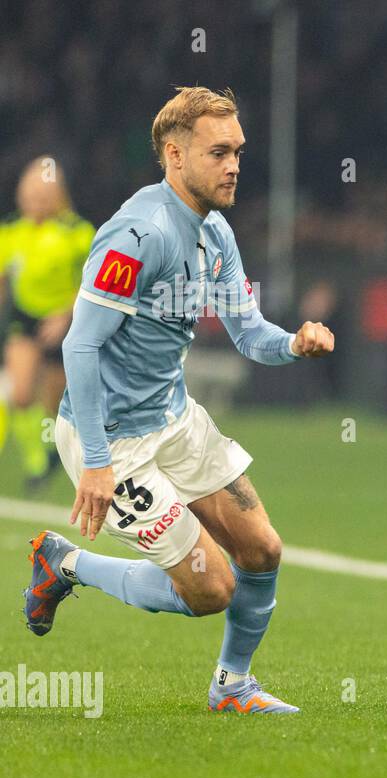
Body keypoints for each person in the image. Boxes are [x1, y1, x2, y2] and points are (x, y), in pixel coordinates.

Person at [23, 87, 335, 714]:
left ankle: (233, 687)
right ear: (174, 155)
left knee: (262, 550)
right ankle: (65, 563)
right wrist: (98, 461)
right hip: (109, 438)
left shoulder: (215, 234)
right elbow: (79, 348)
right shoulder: (137, 234)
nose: (234, 165)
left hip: (174, 419)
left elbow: (249, 333)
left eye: (238, 152)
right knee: (212, 587)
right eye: (219, 152)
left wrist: (295, 344)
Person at [0, 157, 94, 491]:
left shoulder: (77, 233)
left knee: (56, 405)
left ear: (57, 197)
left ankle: (59, 453)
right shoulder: (11, 231)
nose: (33, 205)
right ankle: (37, 462)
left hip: (66, 322)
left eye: (41, 198)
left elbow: (94, 282)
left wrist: (65, 314)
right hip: (24, 319)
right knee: (21, 394)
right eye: (28, 198)